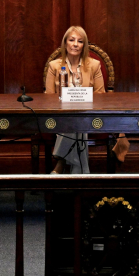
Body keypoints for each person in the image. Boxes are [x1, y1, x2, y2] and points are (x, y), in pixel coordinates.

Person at [44, 26, 130, 174]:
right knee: (76, 124)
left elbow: (100, 95)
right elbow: (49, 97)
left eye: (80, 41)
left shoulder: (94, 65)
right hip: (60, 115)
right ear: (65, 43)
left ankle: (60, 164)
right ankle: (81, 173)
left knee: (79, 122)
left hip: (86, 113)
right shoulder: (54, 66)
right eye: (71, 40)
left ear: (84, 45)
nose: (75, 44)